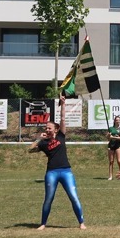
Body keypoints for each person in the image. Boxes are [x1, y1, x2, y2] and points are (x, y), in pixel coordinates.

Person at [27, 96, 85, 230]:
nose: (47, 129)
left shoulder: (61, 136)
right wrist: (38, 139)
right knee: (48, 199)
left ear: (56, 129)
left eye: (49, 128)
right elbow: (30, 150)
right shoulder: (44, 143)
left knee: (73, 196)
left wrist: (63, 104)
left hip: (66, 171)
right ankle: (43, 224)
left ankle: (81, 222)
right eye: (46, 128)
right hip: (51, 172)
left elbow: (63, 119)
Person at [106, 116, 120, 181]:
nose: (118, 121)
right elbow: (108, 138)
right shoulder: (110, 128)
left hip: (118, 145)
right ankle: (110, 176)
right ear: (114, 121)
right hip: (111, 145)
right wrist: (109, 135)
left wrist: (113, 137)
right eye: (117, 120)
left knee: (119, 161)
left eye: (119, 120)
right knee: (111, 161)